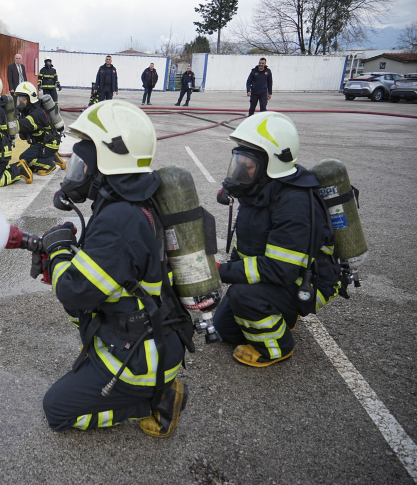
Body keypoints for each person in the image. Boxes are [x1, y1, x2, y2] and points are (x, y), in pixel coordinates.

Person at [41, 100, 193, 438]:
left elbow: (73, 290)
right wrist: (63, 255)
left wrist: (58, 252)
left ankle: (155, 400)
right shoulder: (131, 199)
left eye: (84, 163)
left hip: (141, 358)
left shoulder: (118, 220)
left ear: (108, 163)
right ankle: (125, 379)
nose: (77, 172)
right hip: (151, 333)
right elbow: (105, 269)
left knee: (57, 411)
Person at [212, 111, 340, 366]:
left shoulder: (294, 205)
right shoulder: (261, 189)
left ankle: (277, 348)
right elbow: (249, 244)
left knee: (242, 295)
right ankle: (282, 314)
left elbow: (279, 269)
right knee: (225, 330)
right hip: (281, 277)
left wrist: (219, 272)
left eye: (246, 166)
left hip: (307, 283)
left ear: (270, 164)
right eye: (238, 162)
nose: (239, 171)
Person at [14, 82, 67, 176]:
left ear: (31, 99)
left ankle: (49, 164)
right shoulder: (29, 110)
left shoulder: (37, 113)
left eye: (23, 99)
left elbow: (24, 124)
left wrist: (6, 124)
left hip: (49, 143)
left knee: (24, 158)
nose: (20, 102)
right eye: (19, 99)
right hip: (42, 142)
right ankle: (52, 156)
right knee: (29, 165)